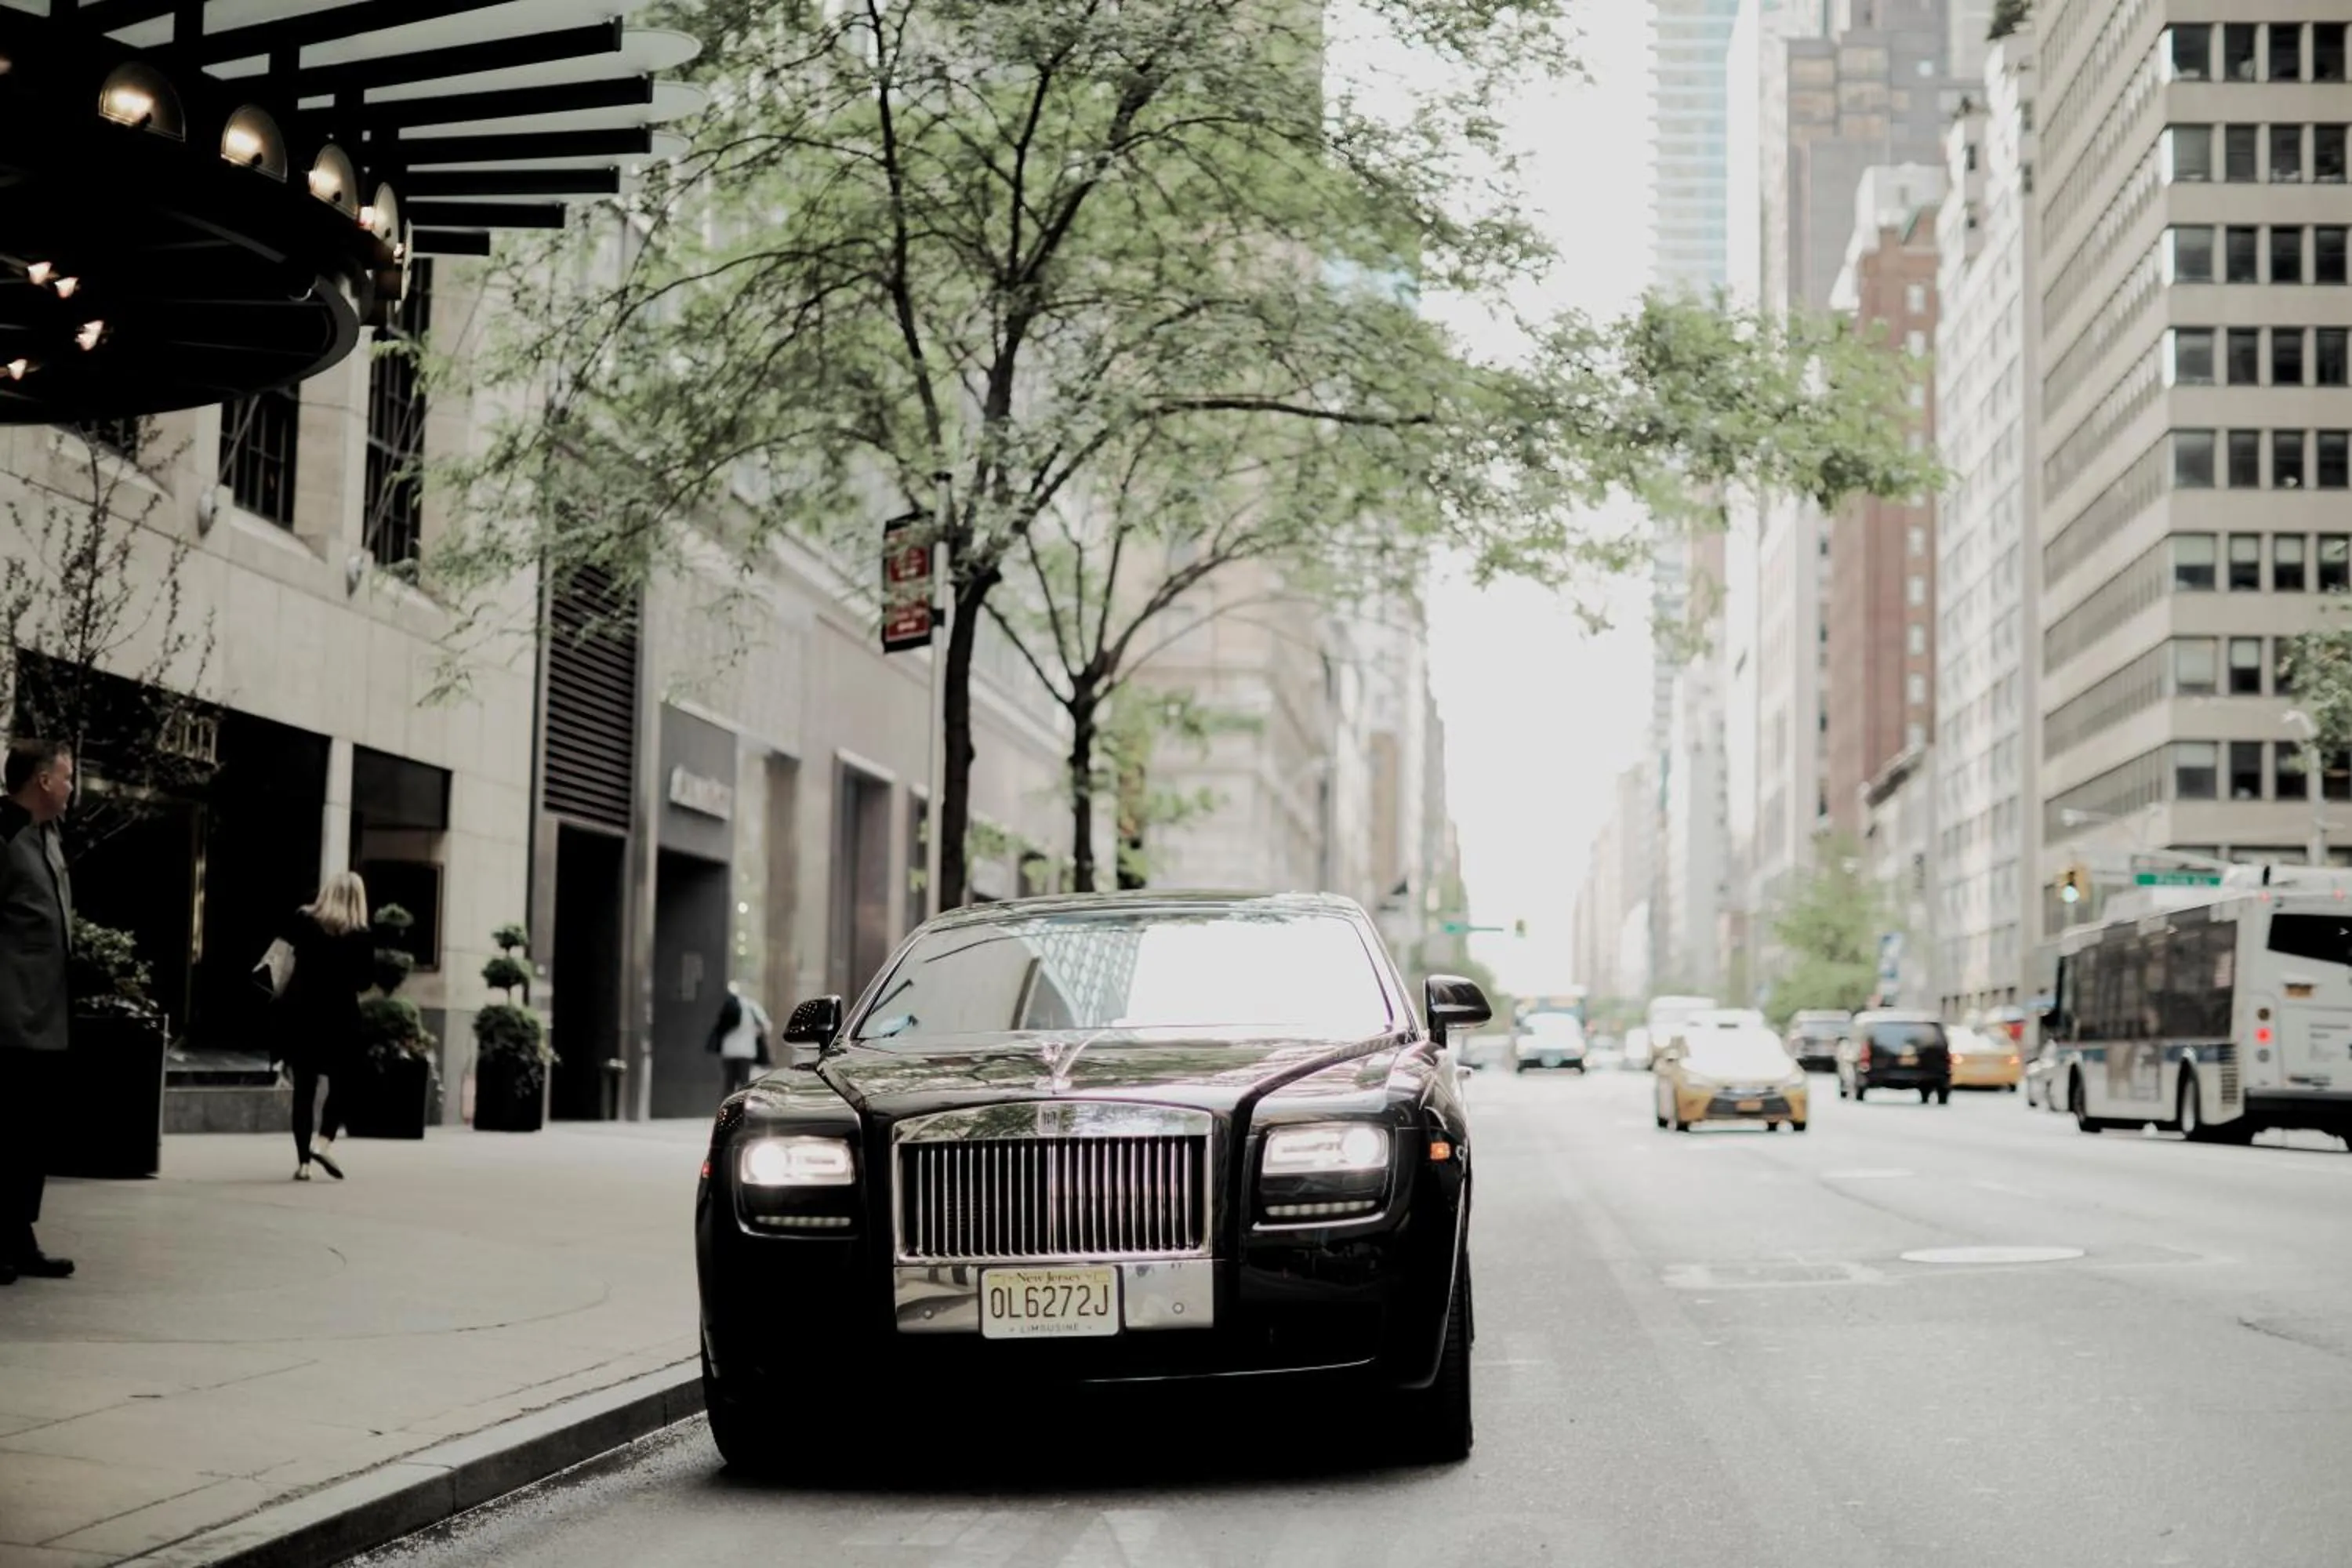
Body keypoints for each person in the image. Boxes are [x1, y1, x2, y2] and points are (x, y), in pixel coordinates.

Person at [0, 739, 77, 1284]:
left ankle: (19, 1235)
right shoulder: (4, 836)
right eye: (67, 777)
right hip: (8, 1015)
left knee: (32, 1136)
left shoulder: (49, 838)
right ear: (43, 780)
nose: (73, 787)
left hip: (47, 1014)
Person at [271, 870, 376, 1181]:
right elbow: (364, 982)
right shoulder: (361, 934)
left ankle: (303, 1164)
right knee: (344, 1083)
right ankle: (323, 1142)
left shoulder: (304, 920)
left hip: (302, 1014)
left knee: (304, 1089)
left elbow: (281, 959)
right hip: (341, 1017)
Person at [707, 984, 772, 1098]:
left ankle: (725, 1111)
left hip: (728, 1050)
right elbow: (766, 1027)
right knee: (744, 1083)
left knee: (729, 1083)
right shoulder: (752, 1006)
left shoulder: (727, 1006)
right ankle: (742, 1109)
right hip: (746, 1051)